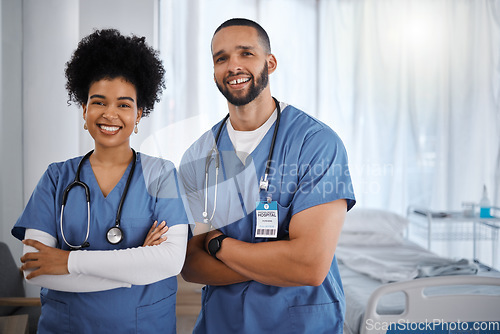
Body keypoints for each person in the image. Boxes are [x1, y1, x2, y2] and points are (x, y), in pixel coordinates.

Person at [179, 18, 356, 333]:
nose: (233, 65)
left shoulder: (315, 143)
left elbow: (310, 266)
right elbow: (190, 265)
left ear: (270, 63)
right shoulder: (198, 156)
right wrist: (278, 261)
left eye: (246, 53)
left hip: (300, 324)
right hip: (222, 323)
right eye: (221, 58)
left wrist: (219, 245)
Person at [12, 29, 191, 333]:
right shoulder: (56, 178)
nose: (110, 114)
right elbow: (35, 269)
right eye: (98, 102)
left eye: (123, 104)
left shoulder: (161, 175)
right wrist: (135, 270)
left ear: (139, 114)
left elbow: (170, 261)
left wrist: (68, 262)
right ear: (84, 110)